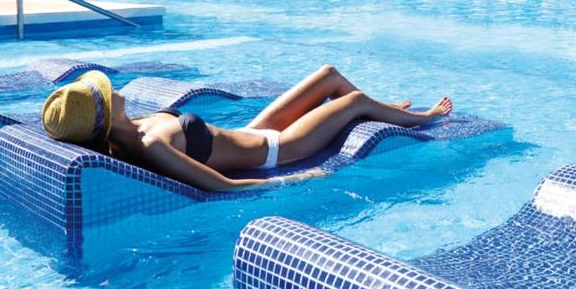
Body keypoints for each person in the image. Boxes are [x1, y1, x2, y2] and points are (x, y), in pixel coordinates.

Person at [41, 65, 452, 192]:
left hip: (252, 130)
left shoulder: (130, 129)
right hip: (281, 148)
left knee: (329, 75)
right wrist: (297, 177)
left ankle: (384, 110)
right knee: (354, 102)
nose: (113, 91)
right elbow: (223, 186)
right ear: (103, 116)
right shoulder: (148, 144)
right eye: (105, 94)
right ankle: (424, 117)